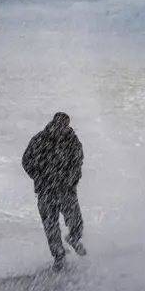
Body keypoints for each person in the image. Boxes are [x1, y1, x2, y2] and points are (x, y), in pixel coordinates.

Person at [22, 112, 87, 271]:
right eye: (58, 124)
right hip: (46, 191)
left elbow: (78, 163)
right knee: (50, 225)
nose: (60, 128)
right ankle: (59, 257)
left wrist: (72, 179)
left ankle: (73, 238)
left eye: (63, 125)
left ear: (67, 125)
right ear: (53, 123)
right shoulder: (39, 139)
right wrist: (38, 177)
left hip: (66, 190)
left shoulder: (73, 141)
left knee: (76, 221)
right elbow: (26, 161)